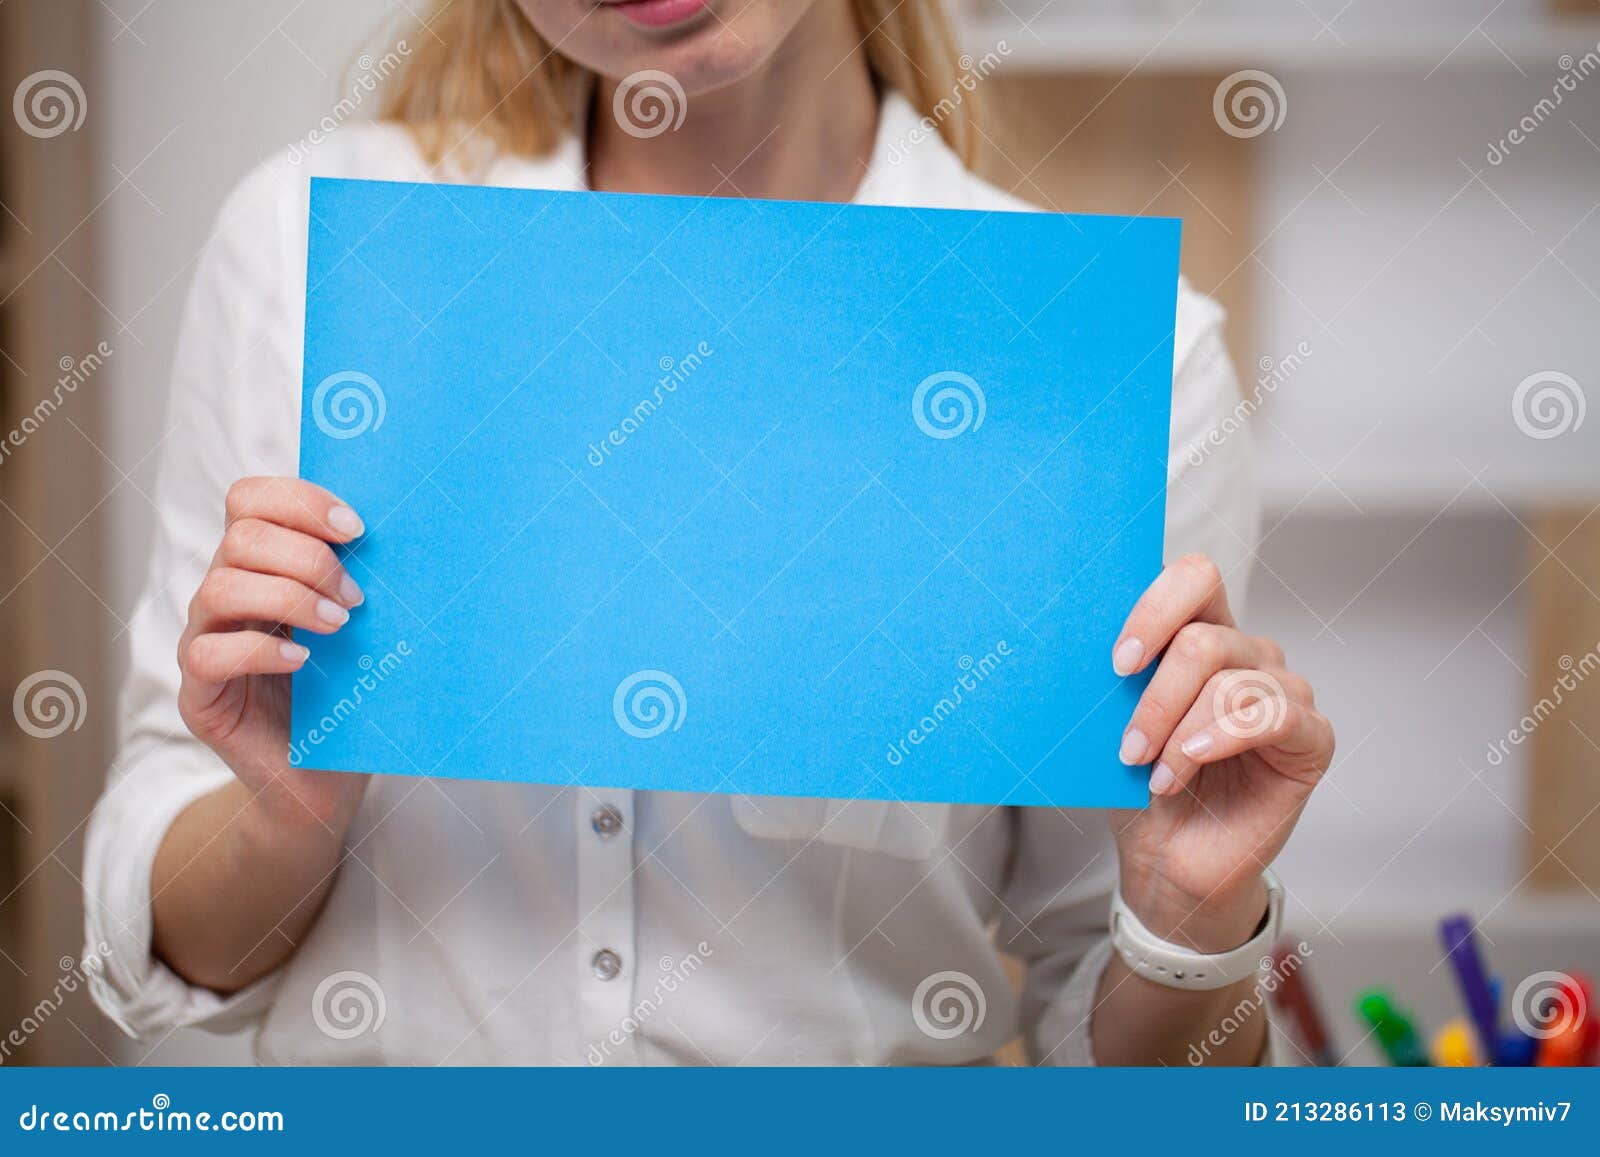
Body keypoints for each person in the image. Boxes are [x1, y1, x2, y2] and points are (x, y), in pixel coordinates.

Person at [85, 0, 1334, 1065]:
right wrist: (281, 823)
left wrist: (1186, 922)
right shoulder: (304, 249)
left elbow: (1110, 1047)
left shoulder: (1110, 367)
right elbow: (176, 942)